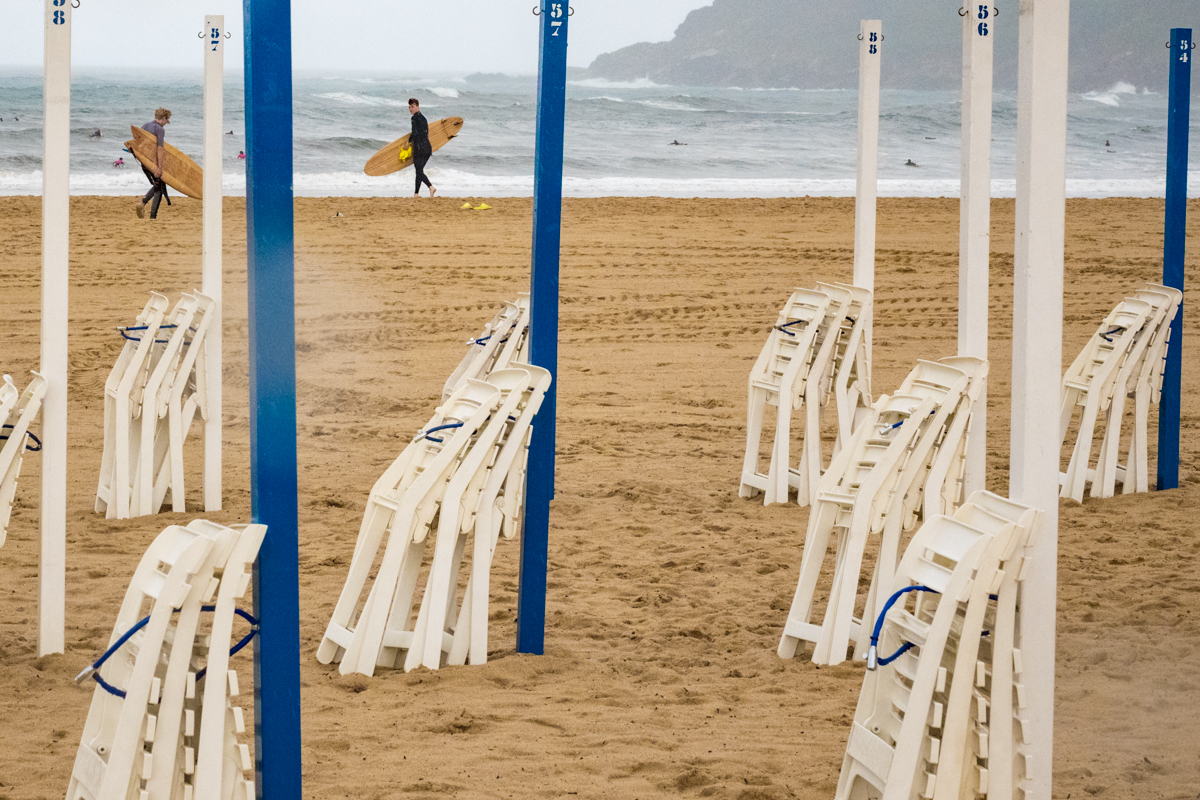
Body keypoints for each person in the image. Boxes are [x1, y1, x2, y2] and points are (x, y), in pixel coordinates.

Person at [136, 108, 171, 219]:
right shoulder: (159, 129)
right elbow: (160, 149)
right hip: (153, 164)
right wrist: (159, 168)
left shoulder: (144, 126)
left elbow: (138, 144)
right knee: (159, 188)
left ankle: (143, 204)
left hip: (144, 162)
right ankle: (151, 215)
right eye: (167, 120)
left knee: (157, 185)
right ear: (164, 118)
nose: (167, 123)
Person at [408, 98, 436, 198]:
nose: (410, 109)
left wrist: (409, 140)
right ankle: (416, 194)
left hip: (419, 148)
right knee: (419, 171)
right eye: (409, 107)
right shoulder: (424, 118)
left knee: (419, 171)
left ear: (417, 106)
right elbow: (424, 133)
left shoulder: (414, 118)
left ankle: (430, 187)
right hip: (427, 148)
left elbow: (415, 133)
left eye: (412, 106)